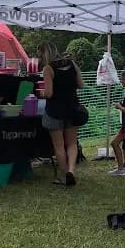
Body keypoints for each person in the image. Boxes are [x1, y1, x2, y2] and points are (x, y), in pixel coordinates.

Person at [38, 41, 84, 186]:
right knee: (71, 143)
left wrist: (41, 93)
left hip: (55, 111)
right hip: (73, 109)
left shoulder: (48, 69)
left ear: (43, 54)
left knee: (59, 146)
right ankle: (71, 170)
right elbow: (81, 85)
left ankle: (63, 176)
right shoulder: (72, 64)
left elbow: (49, 93)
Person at [108, 70, 125, 176]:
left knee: (114, 143)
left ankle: (121, 168)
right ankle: (122, 165)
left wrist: (119, 106)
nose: (121, 82)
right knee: (123, 145)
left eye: (123, 79)